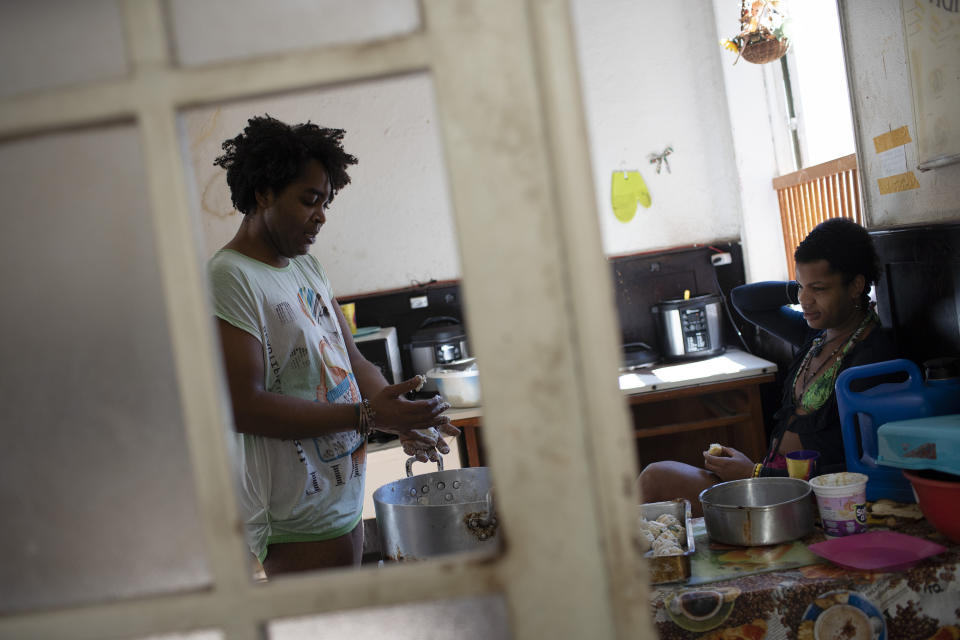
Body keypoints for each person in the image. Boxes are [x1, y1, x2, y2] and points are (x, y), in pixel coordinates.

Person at [208, 115, 459, 574]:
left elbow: (353, 360)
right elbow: (244, 406)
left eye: (325, 201)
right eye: (309, 200)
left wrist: (396, 411)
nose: (321, 215)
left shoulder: (306, 267)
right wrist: (369, 415)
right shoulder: (230, 277)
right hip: (294, 515)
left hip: (339, 491)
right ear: (263, 194)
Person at [638, 218, 898, 515]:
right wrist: (800, 289)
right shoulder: (814, 335)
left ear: (855, 286)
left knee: (657, 479)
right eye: (800, 287)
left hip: (810, 501)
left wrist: (756, 475)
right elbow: (743, 300)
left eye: (819, 288)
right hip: (769, 484)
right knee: (656, 478)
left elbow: (859, 464)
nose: (804, 300)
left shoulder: (873, 360)